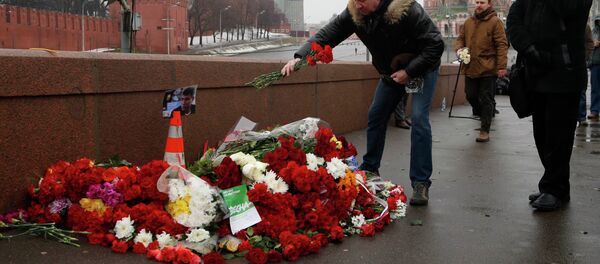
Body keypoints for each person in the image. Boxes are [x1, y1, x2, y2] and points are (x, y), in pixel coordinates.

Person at [281, 0, 444, 206]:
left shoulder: (407, 9)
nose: (357, 5)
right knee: (376, 114)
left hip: (421, 68)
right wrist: (300, 57)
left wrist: (409, 72)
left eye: (362, 0)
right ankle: (370, 169)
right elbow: (327, 35)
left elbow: (435, 44)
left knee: (419, 118)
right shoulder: (355, 13)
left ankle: (420, 182)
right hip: (391, 71)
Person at [507, 0, 592, 211]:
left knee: (559, 136)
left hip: (565, 74)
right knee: (542, 135)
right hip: (536, 72)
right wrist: (529, 48)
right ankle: (556, 185)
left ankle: (554, 188)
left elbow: (567, 8)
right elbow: (514, 19)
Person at [455, 0, 508, 142]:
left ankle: (485, 130)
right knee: (470, 95)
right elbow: (460, 39)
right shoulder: (468, 22)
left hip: (488, 67)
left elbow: (502, 44)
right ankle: (485, 114)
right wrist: (459, 49)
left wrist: (502, 66)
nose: (478, 5)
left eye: (482, 2)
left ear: (489, 4)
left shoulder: (495, 22)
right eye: (477, 1)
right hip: (470, 66)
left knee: (486, 98)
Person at [580, 18, 600, 124]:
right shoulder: (593, 31)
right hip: (595, 62)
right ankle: (594, 111)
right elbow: (590, 44)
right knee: (594, 88)